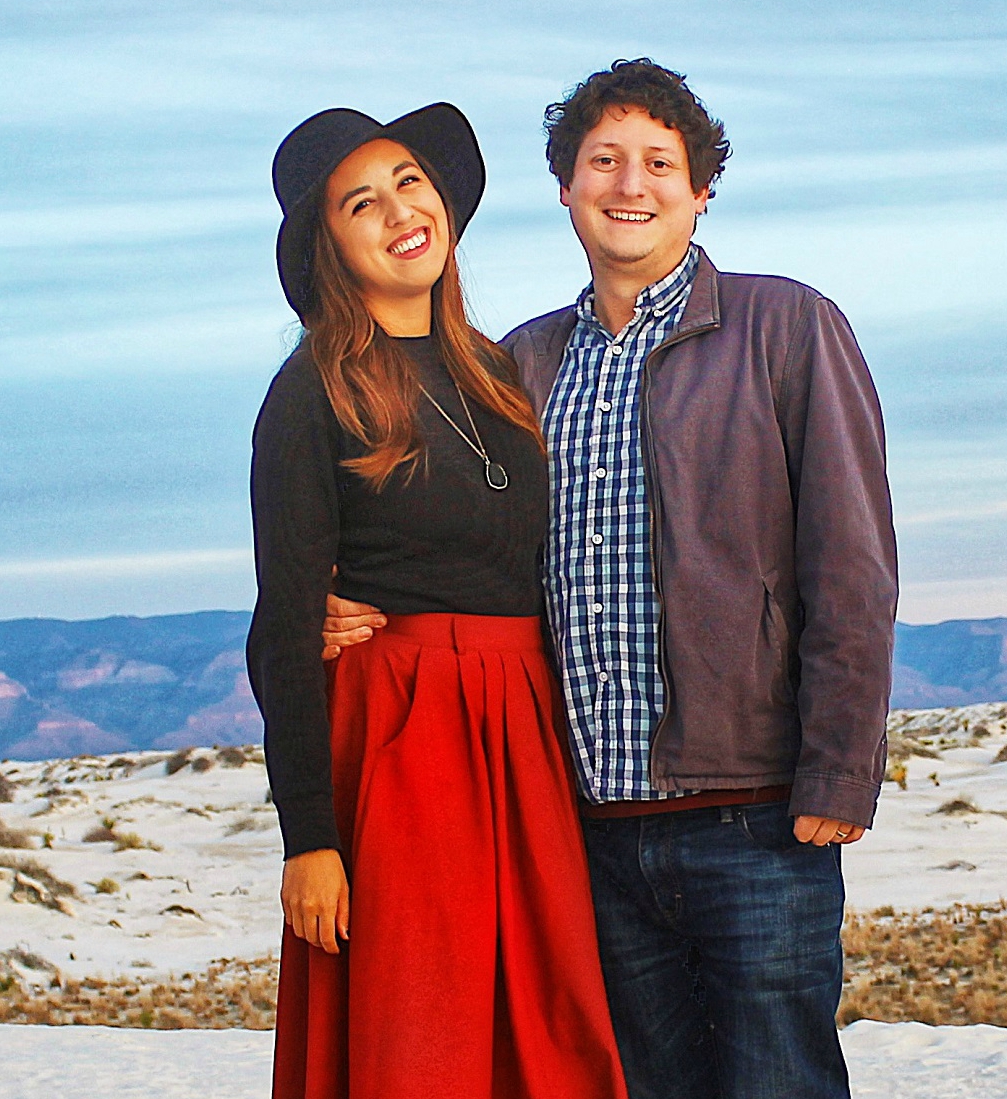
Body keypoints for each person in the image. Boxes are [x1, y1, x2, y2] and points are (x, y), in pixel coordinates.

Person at [324, 60, 898, 1099]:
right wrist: (351, 598)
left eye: (658, 163)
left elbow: (852, 566)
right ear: (565, 185)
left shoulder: (787, 328)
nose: (629, 184)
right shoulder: (512, 367)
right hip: (584, 828)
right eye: (603, 160)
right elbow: (453, 542)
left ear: (699, 188)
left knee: (779, 1081)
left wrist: (839, 770)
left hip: (756, 821)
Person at [247, 102, 627, 1099]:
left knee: (547, 1031)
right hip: (402, 741)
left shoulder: (501, 376)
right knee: (420, 1032)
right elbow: (281, 632)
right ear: (329, 246)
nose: (396, 211)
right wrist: (310, 840)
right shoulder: (309, 397)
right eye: (359, 202)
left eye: (409, 181)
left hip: (525, 734)